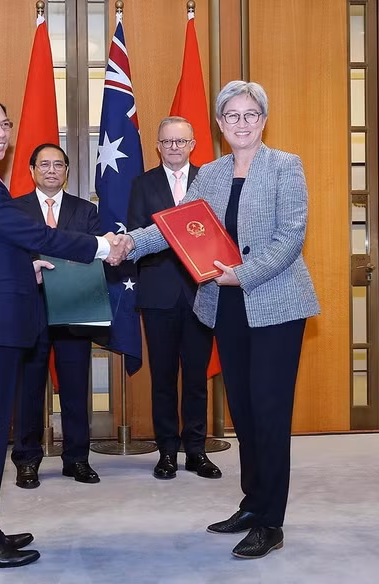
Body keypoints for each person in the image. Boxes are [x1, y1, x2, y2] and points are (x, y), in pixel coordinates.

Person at [111, 81, 320, 560]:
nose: (242, 123)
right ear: (220, 125)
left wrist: (241, 275)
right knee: (243, 411)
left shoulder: (285, 166)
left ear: (263, 120)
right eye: (232, 116)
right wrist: (127, 244)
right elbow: (175, 226)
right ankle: (252, 502)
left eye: (251, 114)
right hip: (225, 306)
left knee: (268, 412)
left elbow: (291, 237)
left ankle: (271, 521)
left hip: (274, 306)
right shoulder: (213, 173)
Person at [0, 94, 122, 569]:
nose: (1, 132)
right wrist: (101, 246)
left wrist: (28, 269)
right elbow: (35, 235)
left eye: (5, 123)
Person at [127, 117, 219, 481]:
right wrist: (179, 247)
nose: (175, 148)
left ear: (193, 144)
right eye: (167, 142)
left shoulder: (211, 179)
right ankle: (166, 451)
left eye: (181, 141)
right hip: (158, 293)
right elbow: (136, 236)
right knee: (163, 377)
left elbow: (217, 230)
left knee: (196, 377)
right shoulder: (142, 184)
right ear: (158, 146)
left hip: (203, 292)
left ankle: (196, 451)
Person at [11, 143, 102, 488]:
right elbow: (7, 254)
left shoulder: (85, 211)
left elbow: (92, 254)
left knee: (76, 388)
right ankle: (27, 460)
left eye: (58, 165)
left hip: (73, 309)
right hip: (29, 308)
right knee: (29, 389)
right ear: (31, 170)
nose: (51, 170)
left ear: (66, 171)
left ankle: (77, 459)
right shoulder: (14, 209)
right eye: (44, 164)